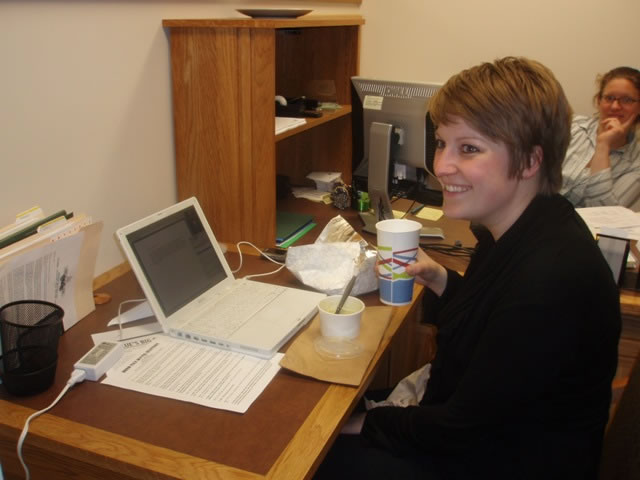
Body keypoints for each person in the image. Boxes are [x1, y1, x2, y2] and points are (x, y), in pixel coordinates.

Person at [315, 57, 621, 480]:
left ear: (530, 161)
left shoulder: (550, 279)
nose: (441, 165)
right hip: (479, 431)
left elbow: (459, 430)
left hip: (498, 461)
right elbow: (493, 322)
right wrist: (443, 281)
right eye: (442, 143)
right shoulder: (521, 228)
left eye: (469, 148)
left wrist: (361, 425)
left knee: (316, 456)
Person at [561, 66, 640, 208]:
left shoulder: (636, 162)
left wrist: (603, 145)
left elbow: (604, 212)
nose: (615, 106)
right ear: (599, 100)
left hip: (580, 222)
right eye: (609, 98)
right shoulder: (572, 126)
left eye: (627, 100)